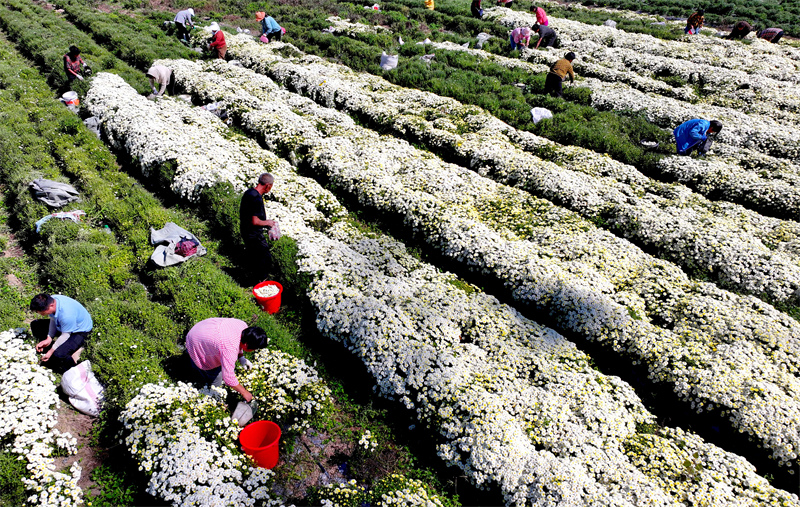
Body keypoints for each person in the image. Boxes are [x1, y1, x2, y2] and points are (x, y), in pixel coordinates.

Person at [185, 318, 269, 402]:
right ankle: (211, 397)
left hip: (200, 329)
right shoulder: (229, 349)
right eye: (254, 348)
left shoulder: (242, 325)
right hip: (195, 342)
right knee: (216, 377)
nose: (254, 350)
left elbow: (239, 343)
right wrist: (244, 392)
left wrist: (241, 356)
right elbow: (228, 378)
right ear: (246, 345)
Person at [29, 293, 93, 374]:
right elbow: (53, 319)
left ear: (51, 305)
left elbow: (65, 335)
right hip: (65, 325)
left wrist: (51, 351)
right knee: (35, 325)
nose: (40, 313)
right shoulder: (52, 300)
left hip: (79, 331)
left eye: (41, 311)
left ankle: (74, 371)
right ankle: (47, 349)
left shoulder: (67, 315)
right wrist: (49, 337)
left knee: (59, 354)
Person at [240, 173, 277, 284]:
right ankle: (260, 283)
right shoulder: (256, 199)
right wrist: (268, 223)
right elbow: (255, 221)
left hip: (245, 230)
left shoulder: (249, 192)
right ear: (268, 186)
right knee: (265, 258)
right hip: (254, 234)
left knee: (253, 257)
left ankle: (251, 277)